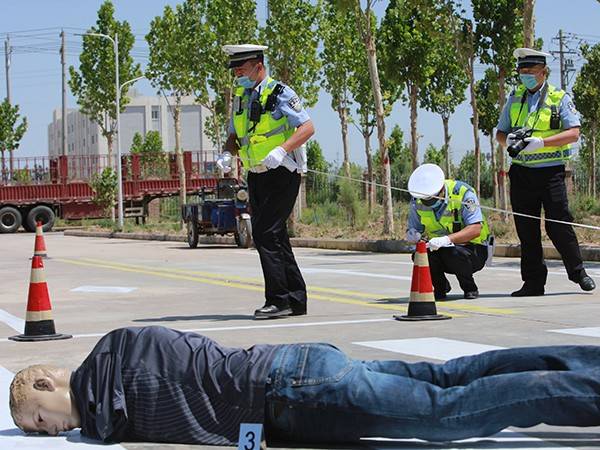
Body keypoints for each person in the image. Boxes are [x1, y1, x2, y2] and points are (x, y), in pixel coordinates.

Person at [9, 325, 600, 446]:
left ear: (45, 379)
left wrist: (87, 428)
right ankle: (587, 363)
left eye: (39, 417)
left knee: (447, 415)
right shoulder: (121, 347)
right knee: (448, 378)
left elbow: (108, 420)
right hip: (299, 371)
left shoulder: (107, 380)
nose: (49, 430)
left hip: (292, 392)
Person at [217, 44, 314, 319]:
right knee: (276, 235)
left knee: (264, 234)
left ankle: (278, 300)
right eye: (235, 70)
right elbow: (236, 135)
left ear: (258, 66)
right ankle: (296, 299)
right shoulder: (240, 97)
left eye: (242, 69)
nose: (238, 74)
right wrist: (227, 152)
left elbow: (307, 127)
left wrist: (282, 149)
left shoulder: (281, 93)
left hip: (282, 172)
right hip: (256, 174)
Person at [496, 47, 595, 297]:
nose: (525, 75)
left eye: (530, 71)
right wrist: (509, 140)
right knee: (527, 231)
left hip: (551, 173)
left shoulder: (559, 98)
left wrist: (541, 142)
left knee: (559, 225)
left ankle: (578, 272)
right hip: (521, 173)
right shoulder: (515, 97)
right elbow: (499, 132)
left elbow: (574, 132)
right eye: (522, 71)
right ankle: (533, 283)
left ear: (543, 72)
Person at [406, 163, 492, 300]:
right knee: (420, 255)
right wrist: (412, 234)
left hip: (472, 250)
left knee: (454, 253)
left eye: (433, 199)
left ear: (441, 190)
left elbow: (475, 229)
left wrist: (446, 240)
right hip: (439, 249)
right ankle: (440, 288)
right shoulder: (417, 199)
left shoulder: (463, 193)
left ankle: (469, 287)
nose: (428, 203)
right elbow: (415, 227)